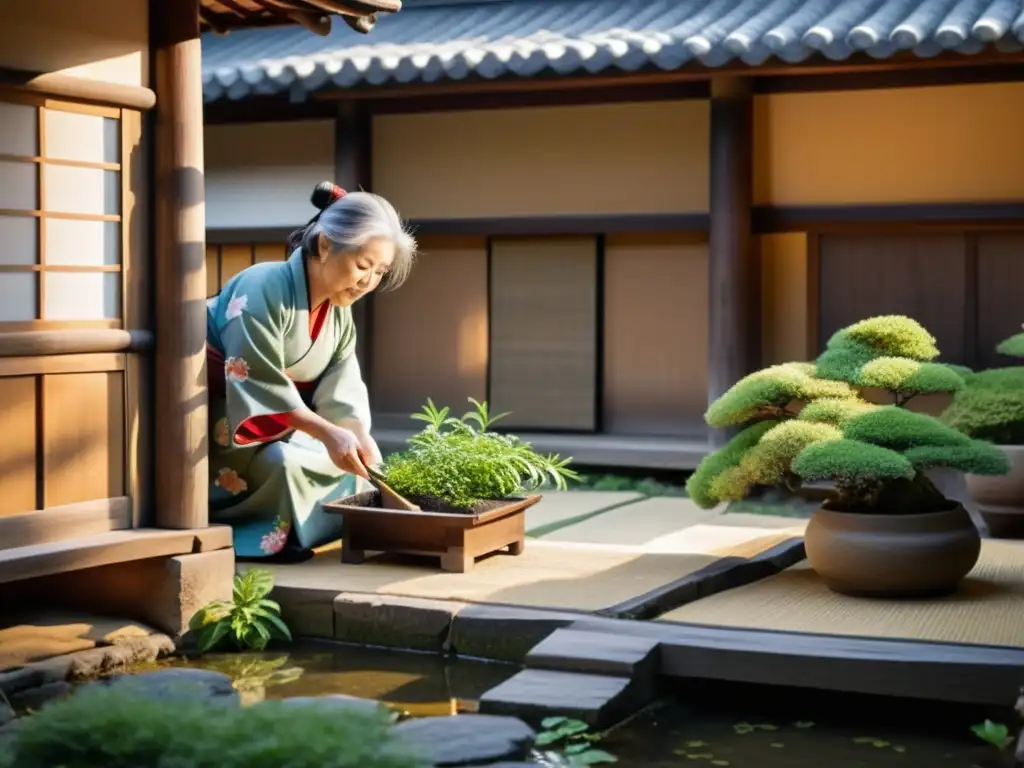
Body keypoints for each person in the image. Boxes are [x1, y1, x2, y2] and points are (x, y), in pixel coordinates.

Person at [206, 182, 417, 559]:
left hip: (282, 422)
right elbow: (255, 379)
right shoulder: (262, 285)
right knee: (286, 463)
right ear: (324, 245)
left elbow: (343, 382)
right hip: (221, 423)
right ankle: (266, 535)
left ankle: (310, 531)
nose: (368, 282)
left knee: (350, 463)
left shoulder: (339, 314)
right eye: (362, 265)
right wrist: (325, 432)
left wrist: (356, 436)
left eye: (380, 272)